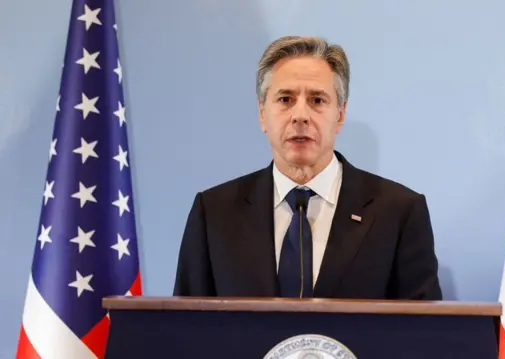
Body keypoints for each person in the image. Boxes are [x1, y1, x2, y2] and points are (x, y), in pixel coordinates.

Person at [173, 36, 442, 300]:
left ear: (340, 114)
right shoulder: (214, 213)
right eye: (285, 99)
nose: (300, 115)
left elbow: (424, 333)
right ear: (261, 113)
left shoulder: (399, 212)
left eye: (317, 100)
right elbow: (186, 331)